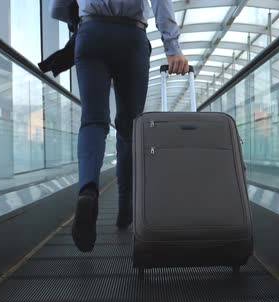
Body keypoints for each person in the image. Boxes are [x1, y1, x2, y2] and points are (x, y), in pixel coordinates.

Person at [50, 0, 189, 252]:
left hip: (91, 33)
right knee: (129, 129)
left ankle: (88, 191)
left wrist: (76, 23)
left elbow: (59, 5)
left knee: (93, 121)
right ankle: (125, 209)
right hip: (131, 36)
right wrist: (172, 48)